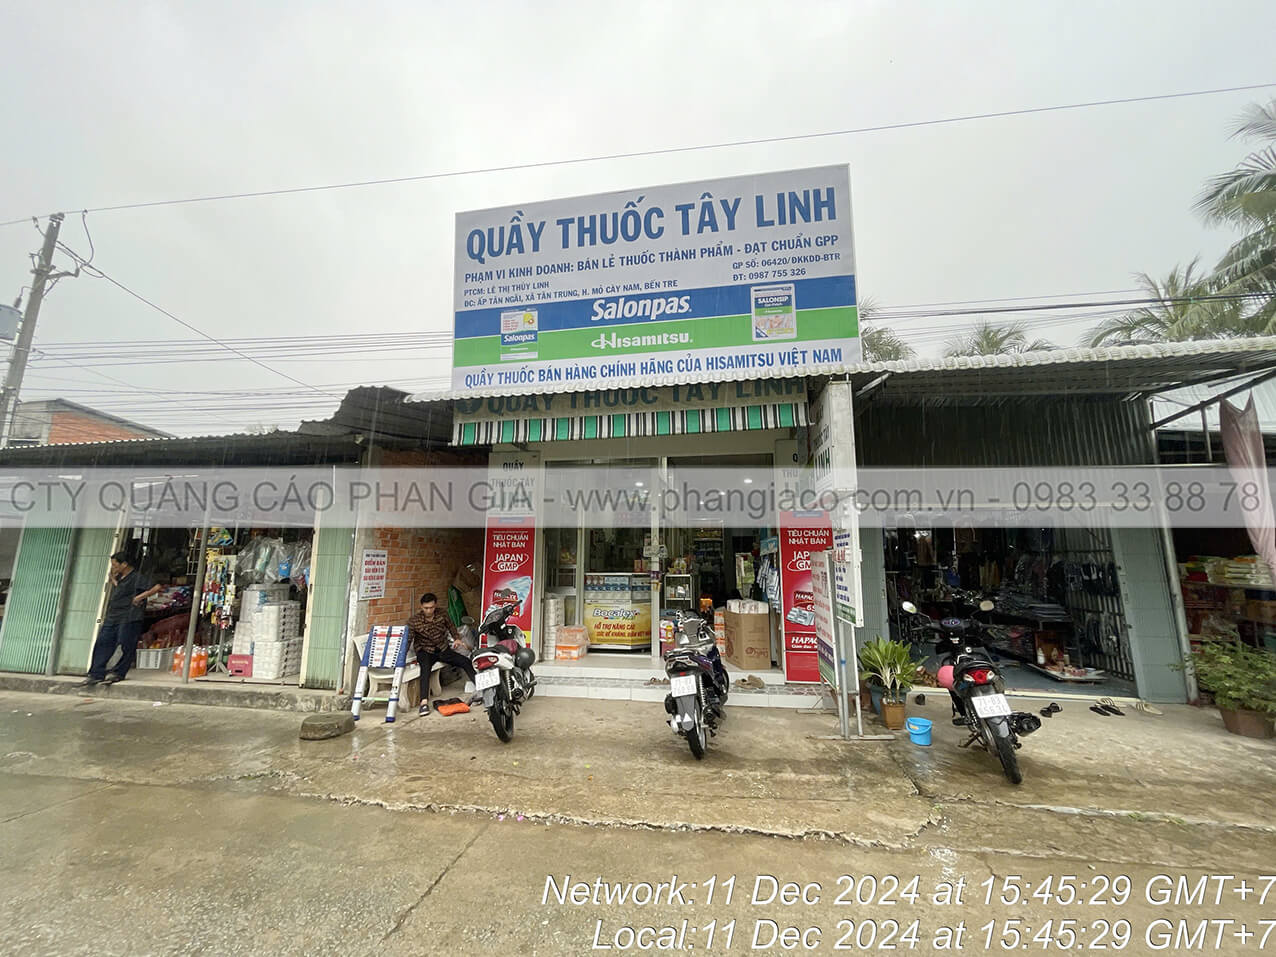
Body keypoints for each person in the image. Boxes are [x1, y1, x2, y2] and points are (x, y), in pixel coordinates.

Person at [73, 551, 162, 688]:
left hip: (130, 616)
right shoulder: (121, 577)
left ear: (124, 564)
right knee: (103, 642)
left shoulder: (137, 577)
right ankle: (96, 673)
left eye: (115, 565)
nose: (113, 567)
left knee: (126, 644)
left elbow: (156, 587)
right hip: (113, 615)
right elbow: (122, 589)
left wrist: (139, 597)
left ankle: (118, 672)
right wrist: (113, 580)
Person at [407, 592, 477, 716]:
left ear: (435, 606)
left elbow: (451, 626)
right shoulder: (414, 621)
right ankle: (424, 703)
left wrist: (456, 638)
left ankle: (481, 688)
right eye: (426, 608)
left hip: (442, 648)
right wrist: (401, 656)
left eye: (431, 607)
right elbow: (408, 639)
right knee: (425, 670)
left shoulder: (442, 614)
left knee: (465, 661)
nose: (429, 611)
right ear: (421, 607)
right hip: (425, 650)